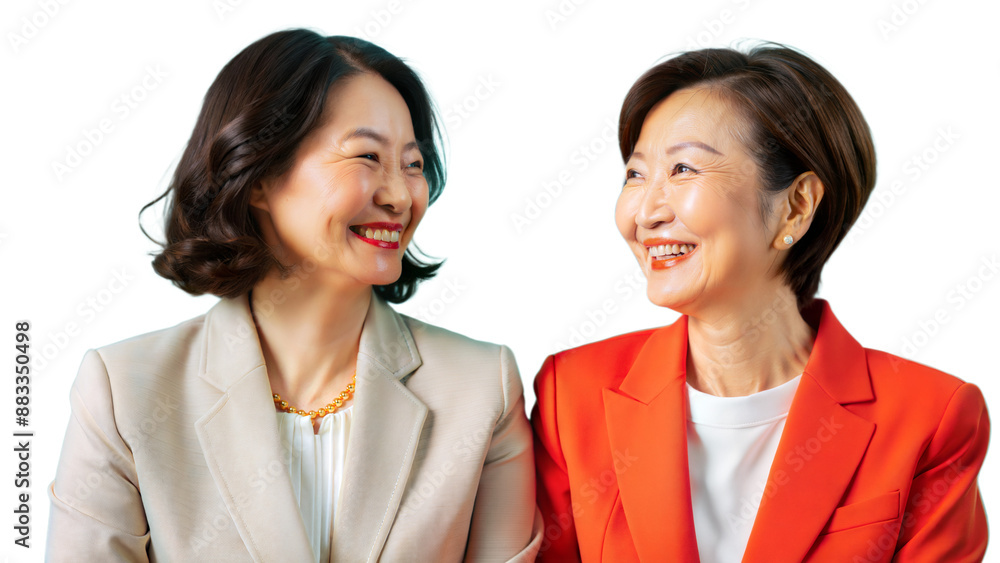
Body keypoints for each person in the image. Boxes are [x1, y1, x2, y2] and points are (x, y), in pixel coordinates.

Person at [47, 28, 541, 562]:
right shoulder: (123, 392)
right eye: (367, 157)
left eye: (412, 163)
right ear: (257, 175)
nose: (400, 195)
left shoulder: (479, 389)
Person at [531, 44, 989, 562]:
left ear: (795, 208)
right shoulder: (570, 394)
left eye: (683, 170)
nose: (646, 212)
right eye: (635, 175)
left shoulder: (931, 418)